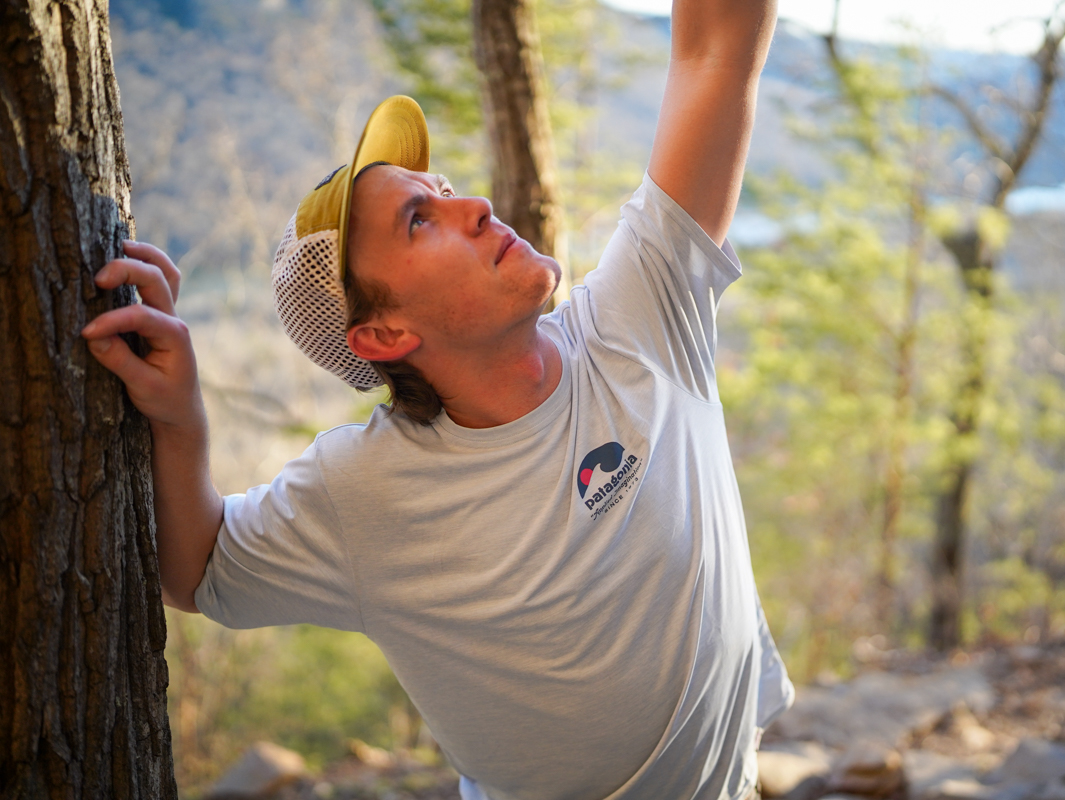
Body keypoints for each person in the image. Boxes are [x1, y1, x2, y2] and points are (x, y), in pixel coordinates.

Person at [82, 0, 793, 797]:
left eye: (444, 187)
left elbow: (715, 54)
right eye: (422, 220)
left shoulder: (640, 316)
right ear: (383, 336)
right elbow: (198, 570)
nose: (476, 205)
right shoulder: (366, 491)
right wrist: (180, 416)